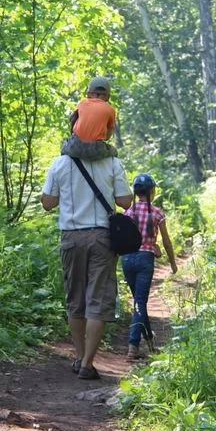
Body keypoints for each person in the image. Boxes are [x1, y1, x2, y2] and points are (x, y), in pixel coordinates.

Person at [41, 153, 132, 380]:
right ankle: (87, 363)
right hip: (102, 238)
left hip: (71, 237)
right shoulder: (111, 162)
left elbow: (48, 203)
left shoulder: (60, 163)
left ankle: (80, 357)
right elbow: (125, 201)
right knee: (97, 298)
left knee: (76, 298)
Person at [121, 173, 177, 361]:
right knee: (139, 302)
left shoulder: (127, 213)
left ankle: (150, 343)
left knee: (139, 301)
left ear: (135, 192)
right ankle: (133, 347)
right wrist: (172, 262)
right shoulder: (157, 213)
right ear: (152, 191)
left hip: (127, 259)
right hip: (145, 259)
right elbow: (167, 242)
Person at [61, 76, 118, 161]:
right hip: (96, 149)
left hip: (76, 147)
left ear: (88, 93)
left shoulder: (82, 103)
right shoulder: (110, 109)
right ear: (108, 96)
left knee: (64, 147)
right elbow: (107, 136)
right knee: (114, 152)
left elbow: (73, 119)